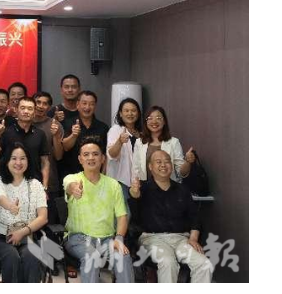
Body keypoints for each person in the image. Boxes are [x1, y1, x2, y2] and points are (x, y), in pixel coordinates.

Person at [129, 149, 213, 283]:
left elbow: (195, 217)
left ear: (172, 166)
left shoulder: (182, 189)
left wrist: (193, 238)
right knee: (167, 262)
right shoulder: (142, 189)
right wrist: (134, 194)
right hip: (152, 239)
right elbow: (134, 211)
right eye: (158, 162)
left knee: (203, 263)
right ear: (150, 167)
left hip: (181, 239)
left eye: (167, 161)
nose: (163, 165)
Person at [62, 139, 133, 283]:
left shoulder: (113, 185)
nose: (91, 158)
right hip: (78, 238)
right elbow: (69, 186)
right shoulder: (72, 178)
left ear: (102, 159)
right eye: (86, 154)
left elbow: (122, 216)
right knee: (91, 257)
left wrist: (119, 238)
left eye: (95, 154)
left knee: (123, 256)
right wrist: (74, 189)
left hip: (107, 239)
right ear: (80, 159)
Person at [0, 142, 48, 283]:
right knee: (11, 256)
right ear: (6, 161)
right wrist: (10, 206)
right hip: (0, 238)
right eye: (14, 158)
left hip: (27, 236)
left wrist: (22, 232)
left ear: (28, 161)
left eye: (22, 158)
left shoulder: (36, 184)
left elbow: (43, 217)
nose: (18, 163)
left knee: (32, 256)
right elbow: (0, 198)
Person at [0, 96, 50, 188]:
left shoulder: (40, 134)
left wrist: (44, 186)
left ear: (34, 113)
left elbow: (45, 162)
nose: (26, 111)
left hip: (33, 184)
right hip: (9, 184)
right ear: (16, 111)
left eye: (30, 109)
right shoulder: (6, 132)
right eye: (22, 108)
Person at [132, 105, 194, 183]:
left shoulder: (174, 142)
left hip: (169, 187)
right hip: (145, 187)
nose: (154, 121)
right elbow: (135, 170)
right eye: (150, 118)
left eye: (158, 118)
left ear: (164, 122)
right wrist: (135, 186)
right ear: (146, 122)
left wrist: (187, 162)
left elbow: (181, 173)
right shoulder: (139, 142)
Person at [59, 90, 110, 177]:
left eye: (91, 104)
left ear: (95, 106)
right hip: (72, 176)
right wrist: (73, 135)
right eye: (84, 103)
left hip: (96, 177)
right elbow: (65, 147)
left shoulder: (103, 127)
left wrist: (103, 175)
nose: (87, 107)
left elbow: (105, 155)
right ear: (78, 105)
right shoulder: (67, 123)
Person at [106, 97, 142, 213]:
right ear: (120, 114)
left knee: (137, 214)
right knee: (125, 214)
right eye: (126, 111)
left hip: (139, 181)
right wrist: (120, 141)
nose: (130, 113)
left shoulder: (142, 133)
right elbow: (111, 154)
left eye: (133, 110)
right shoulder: (116, 130)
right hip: (120, 181)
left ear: (138, 113)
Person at [32, 91, 64, 210]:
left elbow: (59, 156)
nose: (40, 106)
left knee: (49, 220)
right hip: (25, 182)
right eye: (38, 102)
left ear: (49, 107)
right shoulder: (24, 123)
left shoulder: (55, 125)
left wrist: (55, 136)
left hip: (50, 183)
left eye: (45, 104)